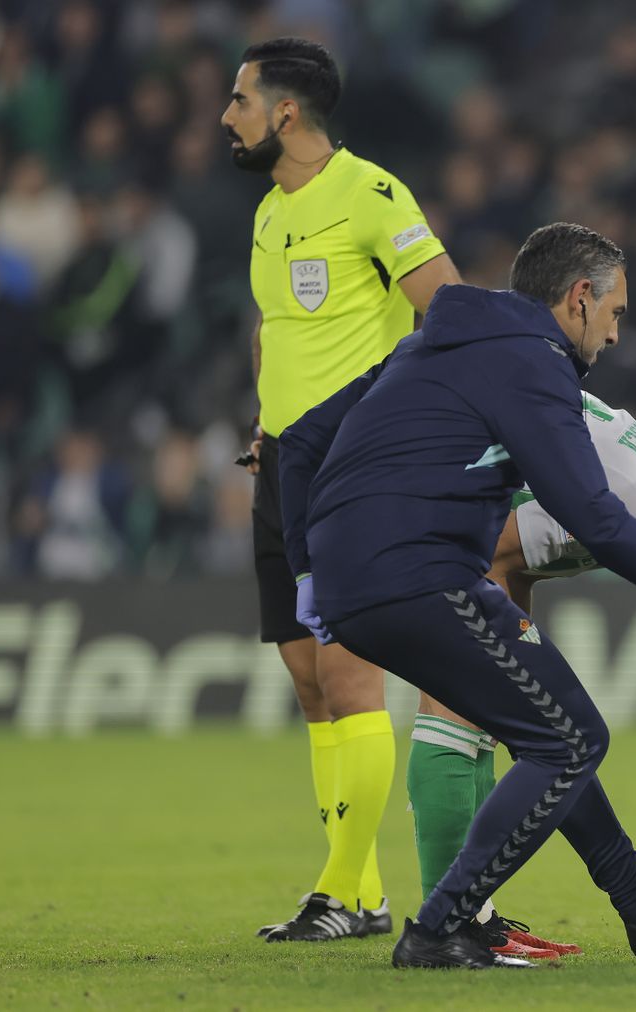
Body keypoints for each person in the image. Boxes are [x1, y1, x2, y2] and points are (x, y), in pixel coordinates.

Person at [277, 222, 636, 969]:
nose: (616, 336)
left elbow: (297, 442)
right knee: (572, 738)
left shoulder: (430, 346)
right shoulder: (533, 364)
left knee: (551, 727)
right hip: (417, 571)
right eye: (615, 314)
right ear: (579, 300)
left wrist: (306, 570)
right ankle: (440, 928)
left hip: (369, 574)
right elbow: (593, 517)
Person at [220, 36, 464, 942]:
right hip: (283, 458)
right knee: (304, 670)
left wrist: (399, 425)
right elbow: (276, 326)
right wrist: (263, 418)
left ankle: (338, 889)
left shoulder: (370, 193)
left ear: (285, 112)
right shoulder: (270, 212)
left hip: (351, 466)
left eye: (239, 100)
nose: (227, 116)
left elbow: (445, 305)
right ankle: (359, 897)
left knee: (349, 671)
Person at [406, 404, 636, 960]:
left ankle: (478, 917)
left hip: (426, 505)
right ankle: (446, 928)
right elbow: (485, 553)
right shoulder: (631, 499)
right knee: (464, 718)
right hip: (413, 530)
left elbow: (514, 560)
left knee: (546, 730)